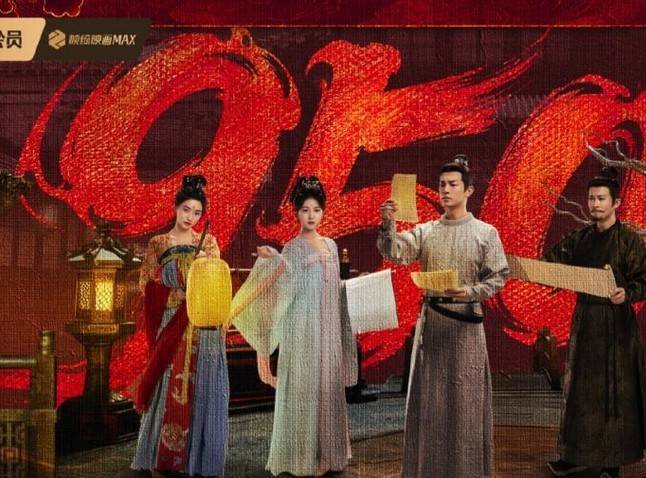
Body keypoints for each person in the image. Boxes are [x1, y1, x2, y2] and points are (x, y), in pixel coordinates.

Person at [377, 155, 509, 478]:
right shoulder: (427, 232)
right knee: (432, 405)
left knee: (465, 404)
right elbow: (395, 252)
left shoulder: (485, 233)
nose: (446, 191)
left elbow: (499, 276)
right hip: (433, 326)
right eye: (442, 185)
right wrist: (388, 224)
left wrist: (470, 292)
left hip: (466, 327)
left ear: (469, 190)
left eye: (453, 185)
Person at [231, 176, 359, 476]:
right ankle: (303, 458)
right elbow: (280, 286)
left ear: (323, 211)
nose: (311, 216)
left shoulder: (331, 245)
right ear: (296, 213)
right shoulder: (291, 248)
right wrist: (270, 260)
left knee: (326, 389)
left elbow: (336, 287)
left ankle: (327, 455)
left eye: (316, 210)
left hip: (328, 329)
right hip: (301, 331)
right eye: (305, 210)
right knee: (304, 390)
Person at [541, 167, 646, 478]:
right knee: (580, 390)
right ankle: (573, 456)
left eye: (602, 198)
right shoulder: (581, 238)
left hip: (617, 326)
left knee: (613, 392)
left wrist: (626, 293)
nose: (595, 204)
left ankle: (611, 464)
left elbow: (645, 284)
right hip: (587, 322)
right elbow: (551, 262)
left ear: (616, 202)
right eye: (591, 198)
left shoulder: (629, 240)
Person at [131, 174, 228, 477]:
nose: (190, 217)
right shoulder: (158, 243)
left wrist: (199, 278)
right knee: (168, 382)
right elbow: (145, 283)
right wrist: (174, 282)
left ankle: (195, 461)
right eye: (186, 209)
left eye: (197, 212)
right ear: (175, 208)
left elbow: (215, 281)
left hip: (201, 322)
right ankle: (162, 459)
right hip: (171, 320)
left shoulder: (208, 243)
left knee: (202, 386)